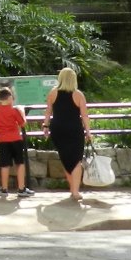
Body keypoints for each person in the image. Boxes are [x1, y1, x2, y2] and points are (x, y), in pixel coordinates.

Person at [42, 66, 91, 201]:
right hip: (74, 129)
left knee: (66, 159)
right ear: (73, 79)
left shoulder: (53, 92)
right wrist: (88, 132)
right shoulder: (78, 94)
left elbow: (48, 111)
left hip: (58, 129)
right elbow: (84, 116)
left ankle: (72, 189)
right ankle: (75, 191)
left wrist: (45, 126)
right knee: (76, 161)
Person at [0, 86, 34, 198]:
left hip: (2, 140)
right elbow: (23, 123)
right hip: (15, 139)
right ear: (9, 98)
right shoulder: (14, 110)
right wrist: (22, 111)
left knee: (4, 165)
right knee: (20, 163)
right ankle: (21, 188)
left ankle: (4, 189)